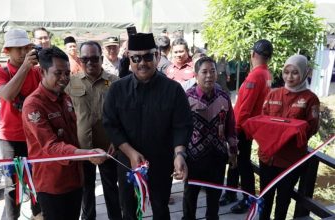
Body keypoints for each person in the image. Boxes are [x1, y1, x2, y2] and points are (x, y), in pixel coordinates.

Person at [103, 33, 193, 220]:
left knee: (160, 208)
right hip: (128, 163)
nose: (142, 62)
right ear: (129, 58)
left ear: (157, 56)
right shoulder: (117, 89)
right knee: (129, 210)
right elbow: (110, 124)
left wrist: (179, 154)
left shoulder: (173, 90)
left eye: (147, 56)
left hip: (161, 162)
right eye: (136, 58)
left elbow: (182, 125)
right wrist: (130, 152)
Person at [22, 46, 106, 220]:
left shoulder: (65, 98)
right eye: (58, 73)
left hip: (74, 179)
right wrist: (87, 154)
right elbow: (51, 147)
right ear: (42, 72)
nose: (64, 78)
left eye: (67, 73)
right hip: (53, 184)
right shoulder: (33, 105)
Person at [0, 28, 42, 220]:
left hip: (36, 136)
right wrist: (25, 68)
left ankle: (40, 216)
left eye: (26, 47)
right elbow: (7, 95)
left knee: (38, 181)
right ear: (7, 51)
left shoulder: (36, 71)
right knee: (13, 185)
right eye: (17, 48)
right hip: (11, 137)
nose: (22, 52)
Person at [66, 41, 122, 220]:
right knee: (86, 190)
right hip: (82, 149)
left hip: (108, 148)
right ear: (80, 59)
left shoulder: (114, 82)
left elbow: (122, 114)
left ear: (101, 58)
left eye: (94, 58)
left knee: (111, 189)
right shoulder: (70, 83)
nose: (90, 62)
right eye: (85, 59)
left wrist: (117, 140)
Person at [259, 55, 319, 220]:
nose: (289, 77)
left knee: (283, 201)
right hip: (267, 158)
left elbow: (312, 127)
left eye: (295, 73)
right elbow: (262, 121)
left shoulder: (310, 99)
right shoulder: (273, 94)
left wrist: (290, 133)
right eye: (286, 72)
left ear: (304, 73)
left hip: (290, 161)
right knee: (264, 199)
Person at [220, 39, 273, 214]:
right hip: (250, 127)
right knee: (235, 160)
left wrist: (234, 129)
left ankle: (248, 198)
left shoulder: (255, 75)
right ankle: (231, 192)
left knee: (242, 163)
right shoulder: (267, 74)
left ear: (253, 54)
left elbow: (245, 108)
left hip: (242, 127)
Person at [183, 57, 237, 220]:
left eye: (212, 71)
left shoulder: (224, 97)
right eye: (204, 72)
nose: (209, 76)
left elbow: (231, 126)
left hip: (218, 156)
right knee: (190, 196)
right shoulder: (187, 98)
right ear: (196, 75)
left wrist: (233, 151)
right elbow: (180, 129)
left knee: (214, 198)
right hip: (193, 157)